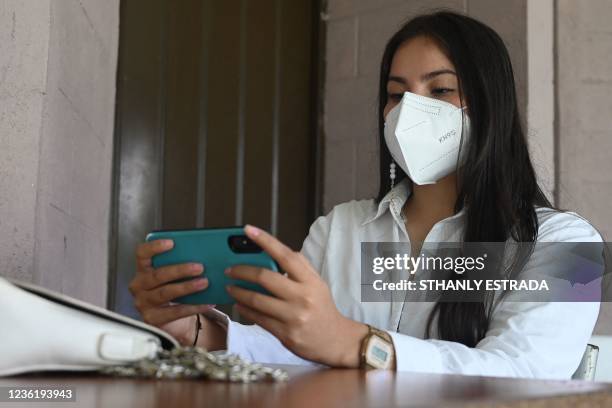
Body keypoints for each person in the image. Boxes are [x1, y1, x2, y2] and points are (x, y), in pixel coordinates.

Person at [128, 11, 601, 379]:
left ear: (491, 106)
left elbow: (524, 373)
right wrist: (197, 333)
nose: (411, 110)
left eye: (440, 90)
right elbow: (299, 351)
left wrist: (359, 344)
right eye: (397, 95)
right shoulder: (339, 228)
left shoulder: (570, 245)